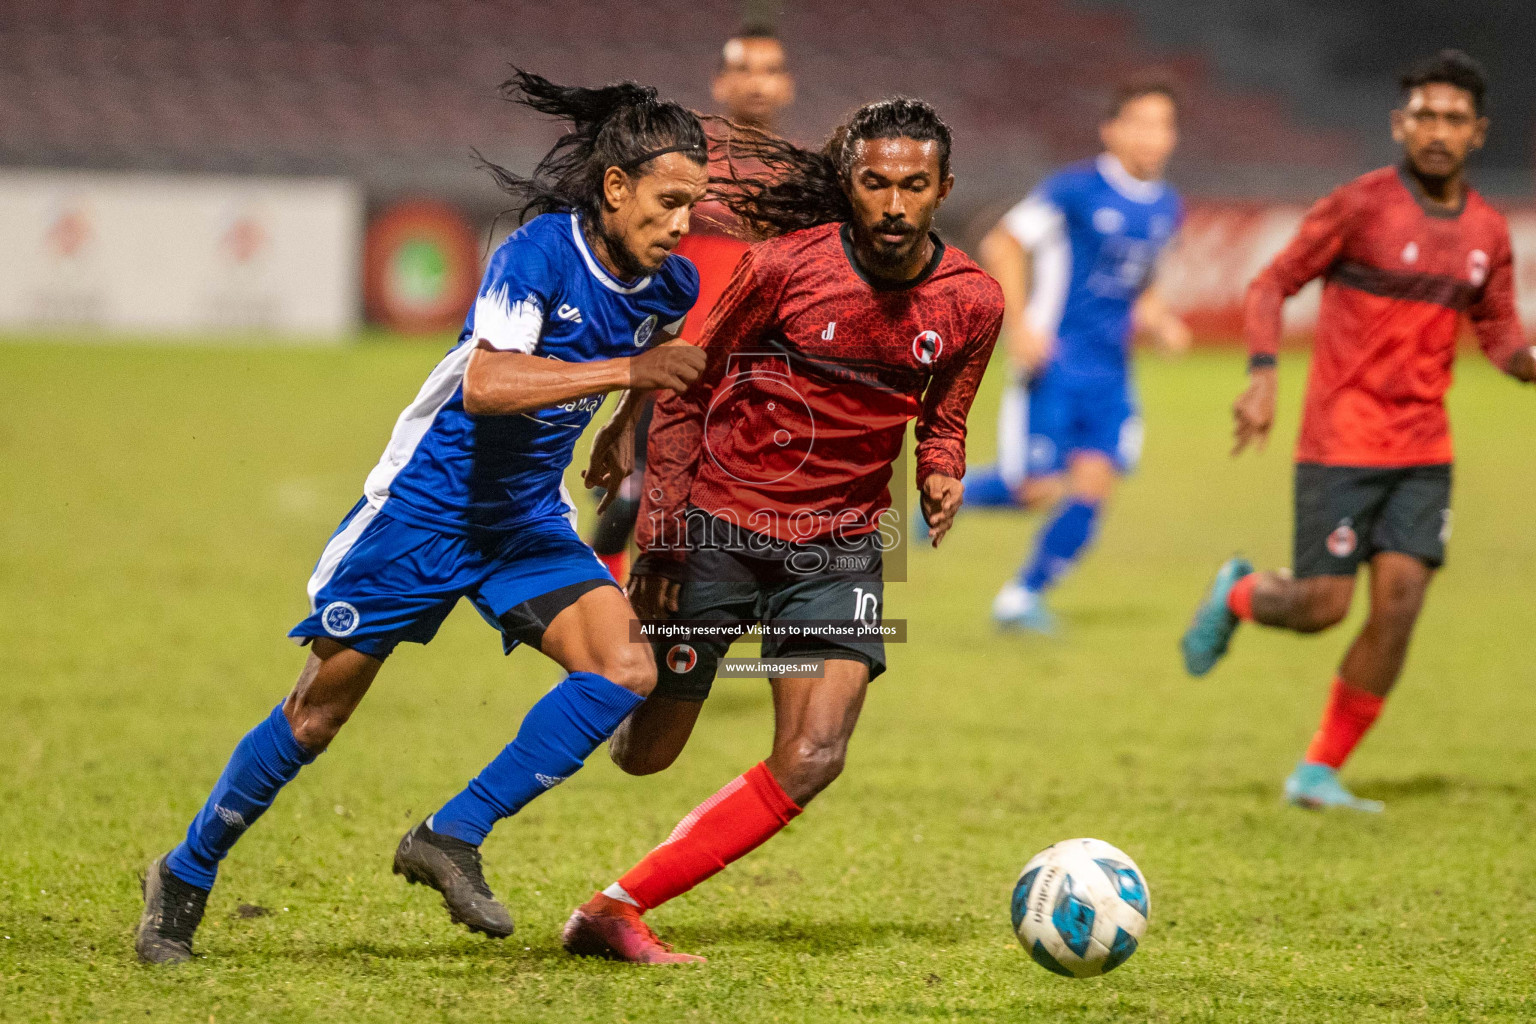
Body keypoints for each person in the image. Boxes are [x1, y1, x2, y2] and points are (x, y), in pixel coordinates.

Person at [134, 70, 712, 963]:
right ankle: (184, 874)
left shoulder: (667, 288)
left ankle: (450, 833)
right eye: (669, 203)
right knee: (317, 716)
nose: (682, 226)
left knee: (624, 666)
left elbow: (648, 359)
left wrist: (622, 437)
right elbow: (486, 386)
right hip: (422, 512)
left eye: (693, 207)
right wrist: (627, 382)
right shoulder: (538, 255)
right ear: (616, 187)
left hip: (522, 522)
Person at [563, 97, 1004, 963]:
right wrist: (659, 539)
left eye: (914, 185)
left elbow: (944, 414)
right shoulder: (781, 268)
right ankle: (616, 654)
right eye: (875, 183)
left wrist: (942, 468)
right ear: (850, 184)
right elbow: (689, 387)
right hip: (719, 531)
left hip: (837, 551)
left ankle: (612, 910)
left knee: (813, 753)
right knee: (646, 753)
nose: (893, 204)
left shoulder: (971, 302)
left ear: (943, 188)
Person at [1180, 50, 1536, 811]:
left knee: (1401, 606)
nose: (1437, 130)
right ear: (1400, 123)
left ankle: (1317, 771)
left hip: (1423, 450)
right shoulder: (1360, 206)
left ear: (1478, 133)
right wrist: (1263, 373)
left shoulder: (1486, 233)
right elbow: (1273, 281)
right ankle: (1239, 592)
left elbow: (1502, 337)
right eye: (1425, 115)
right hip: (1341, 439)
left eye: (1454, 118)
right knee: (1321, 608)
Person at [965, 79, 1191, 634]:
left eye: (1162, 124)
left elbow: (1142, 282)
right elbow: (1002, 242)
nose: (1150, 136)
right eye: (1138, 122)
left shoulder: (1167, 207)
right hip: (1056, 361)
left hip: (1111, 372)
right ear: (1110, 130)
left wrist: (1160, 319)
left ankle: (1021, 597)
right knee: (1035, 489)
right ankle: (940, 493)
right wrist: (1019, 326)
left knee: (1093, 485)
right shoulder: (1075, 190)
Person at [587, 22, 796, 584]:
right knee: (635, 494)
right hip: (673, 354)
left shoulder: (803, 178)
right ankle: (603, 602)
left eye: (770, 70)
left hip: (754, 369)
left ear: (788, 87)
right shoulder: (682, 160)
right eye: (744, 68)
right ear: (720, 83)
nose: (757, 82)